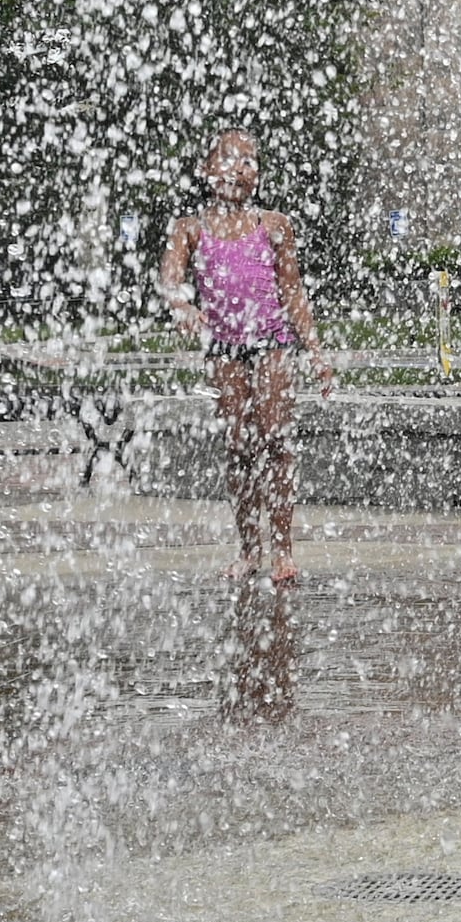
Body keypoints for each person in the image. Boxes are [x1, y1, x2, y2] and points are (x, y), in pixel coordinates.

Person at [156, 131, 328, 585]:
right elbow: (169, 281)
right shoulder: (190, 229)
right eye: (228, 159)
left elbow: (293, 292)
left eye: (248, 160)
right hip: (224, 346)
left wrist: (314, 351)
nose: (238, 168)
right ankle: (250, 549)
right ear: (206, 170)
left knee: (275, 440)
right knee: (239, 447)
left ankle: (283, 552)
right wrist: (184, 306)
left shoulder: (274, 225)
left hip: (272, 341)